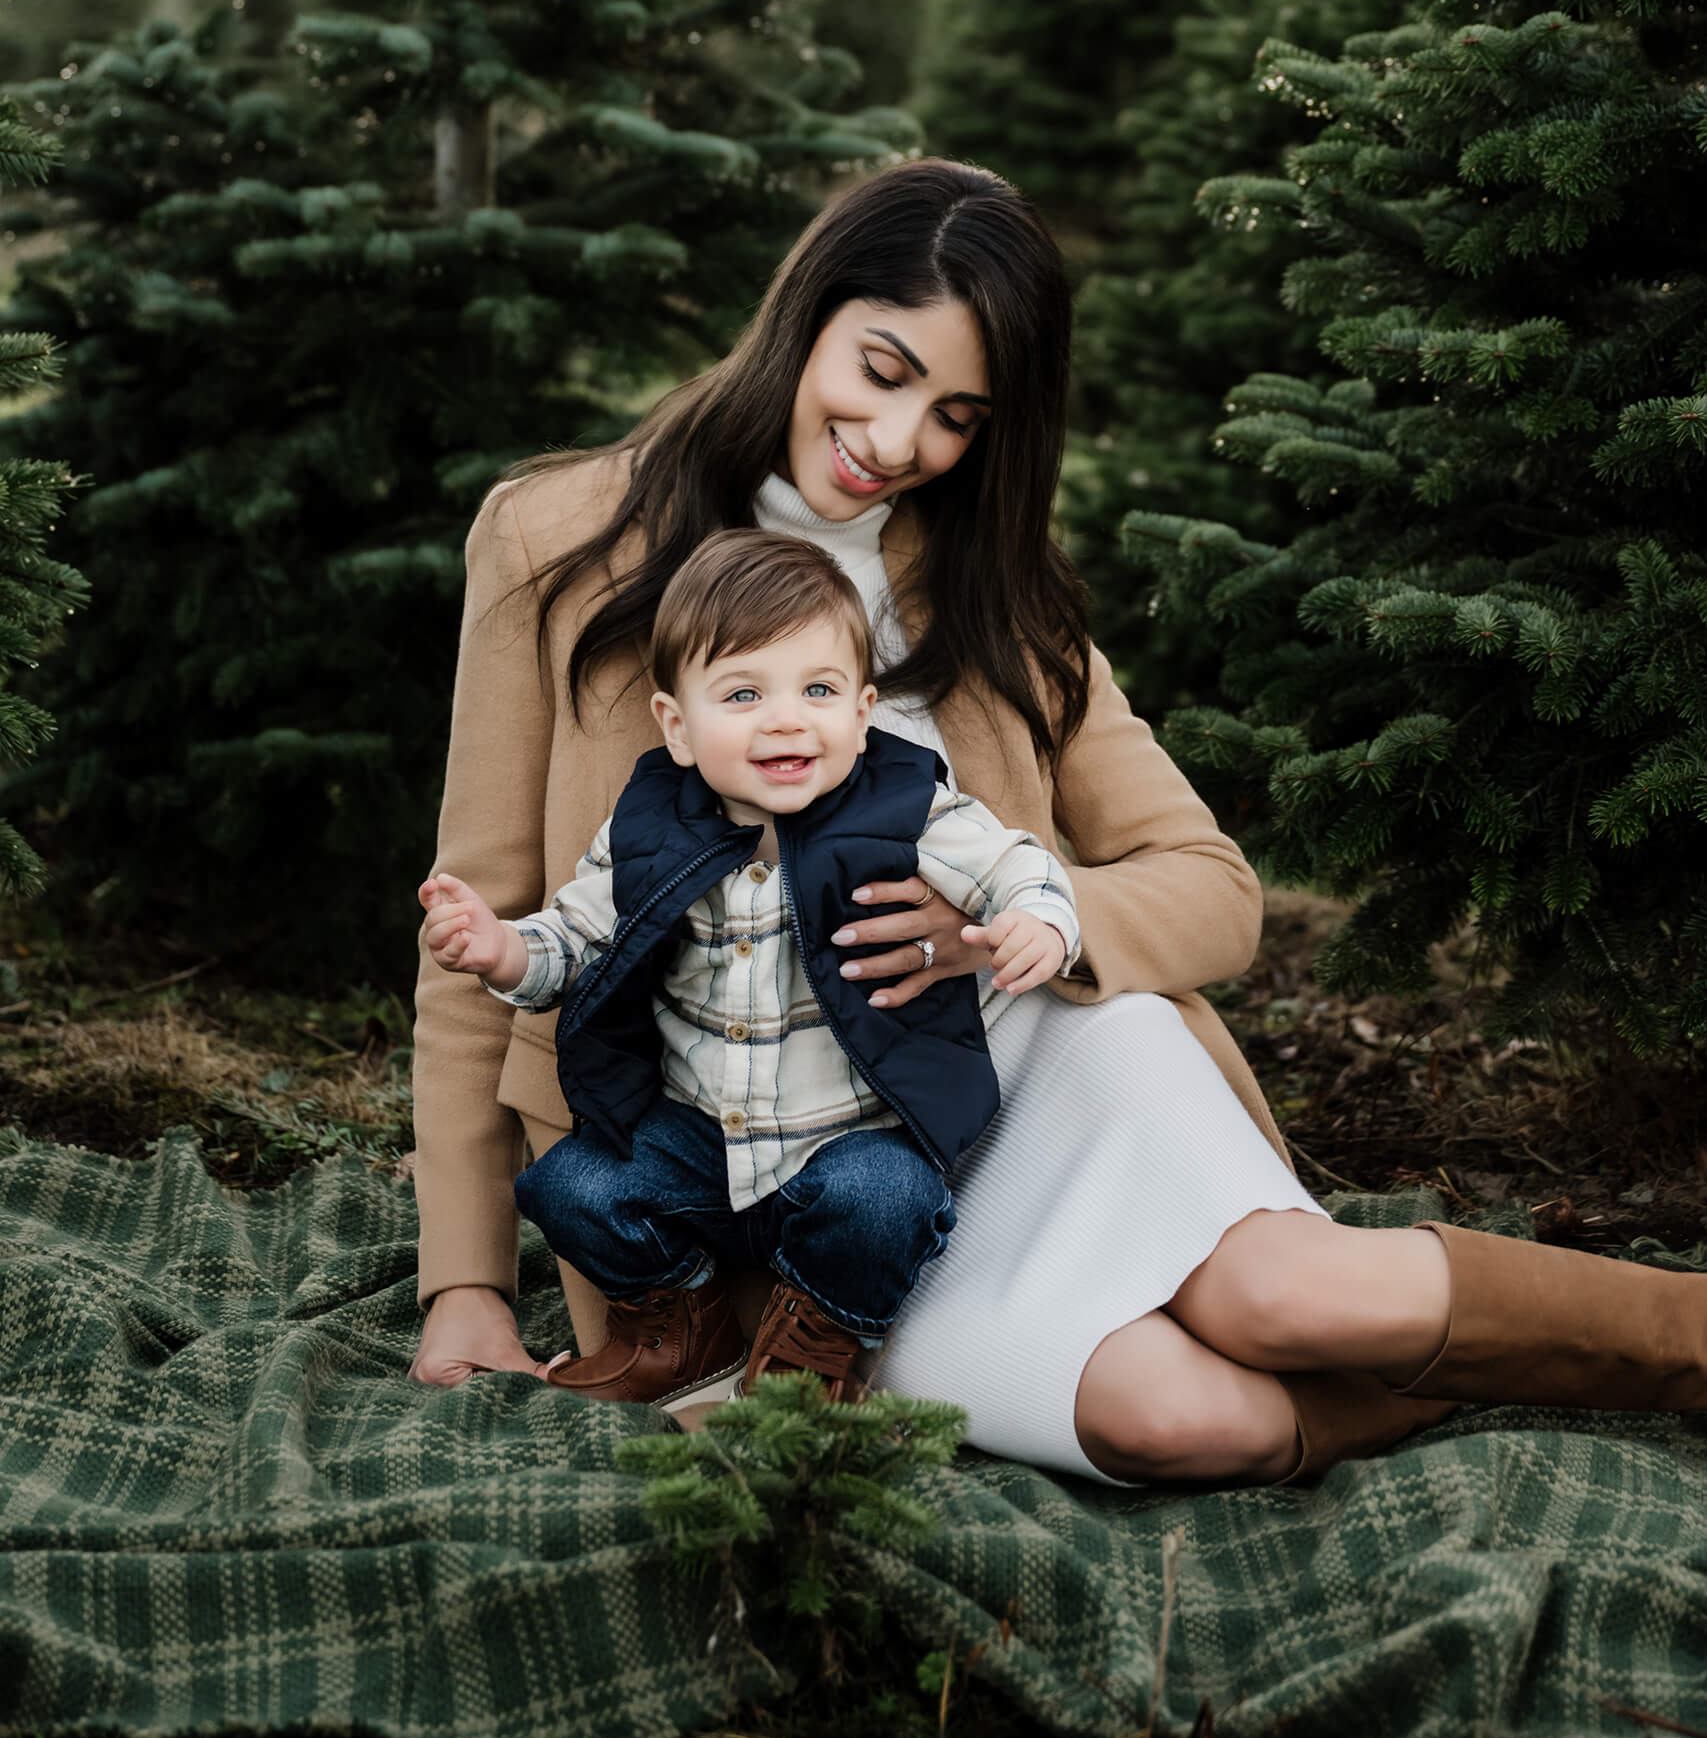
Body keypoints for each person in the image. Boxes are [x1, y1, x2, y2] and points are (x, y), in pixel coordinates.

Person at [412, 157, 1707, 1485]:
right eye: (880, 367)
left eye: (956, 414)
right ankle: (1448, 1385)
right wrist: (463, 1281)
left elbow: (1211, 886)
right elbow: (481, 921)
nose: (899, 440)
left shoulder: (991, 590)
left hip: (1033, 1071)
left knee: (1296, 1302)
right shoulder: (557, 539)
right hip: (781, 1196)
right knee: (1190, 1422)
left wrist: (1019, 924)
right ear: (804, 315)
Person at [418, 527, 1080, 1411]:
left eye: (818, 690)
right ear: (677, 726)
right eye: (742, 693)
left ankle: (819, 1335)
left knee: (889, 1198)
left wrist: (1039, 918)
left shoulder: (905, 809)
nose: (785, 718)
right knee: (566, 1185)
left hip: (843, 1135)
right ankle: (684, 1321)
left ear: (861, 710)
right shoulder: (652, 826)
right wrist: (501, 948)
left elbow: (1014, 862)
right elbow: (577, 936)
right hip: (695, 1138)